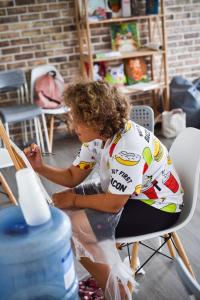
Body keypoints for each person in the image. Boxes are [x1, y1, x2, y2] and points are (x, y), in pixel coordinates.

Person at [24, 80, 183, 299]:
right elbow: (72, 177)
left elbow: (114, 203)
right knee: (64, 218)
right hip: (133, 196)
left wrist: (73, 200)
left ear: (97, 120)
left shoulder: (128, 147)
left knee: (73, 226)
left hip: (158, 207)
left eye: (78, 120)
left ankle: (117, 291)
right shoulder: (96, 137)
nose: (73, 125)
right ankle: (111, 279)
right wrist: (39, 167)